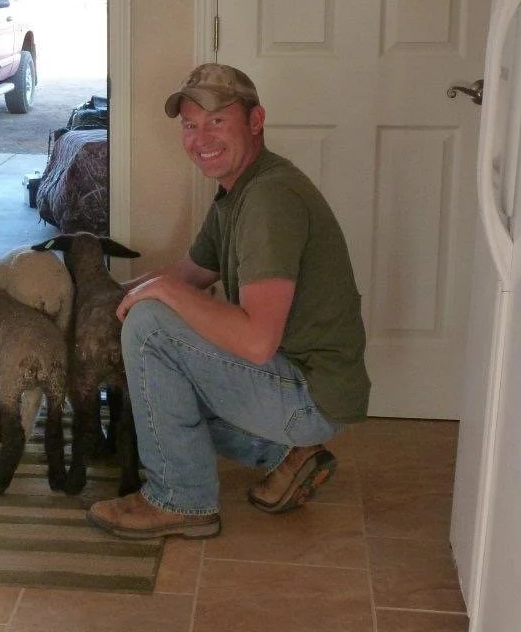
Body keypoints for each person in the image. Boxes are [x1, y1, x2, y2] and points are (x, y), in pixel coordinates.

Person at [87, 63, 370, 540]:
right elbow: (190, 273)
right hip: (302, 384)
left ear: (255, 120)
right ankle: (286, 455)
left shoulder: (269, 200)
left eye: (217, 121)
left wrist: (157, 299)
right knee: (154, 354)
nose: (201, 138)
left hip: (308, 396)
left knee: (151, 329)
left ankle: (180, 499)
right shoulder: (238, 191)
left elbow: (257, 341)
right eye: (190, 125)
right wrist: (114, 296)